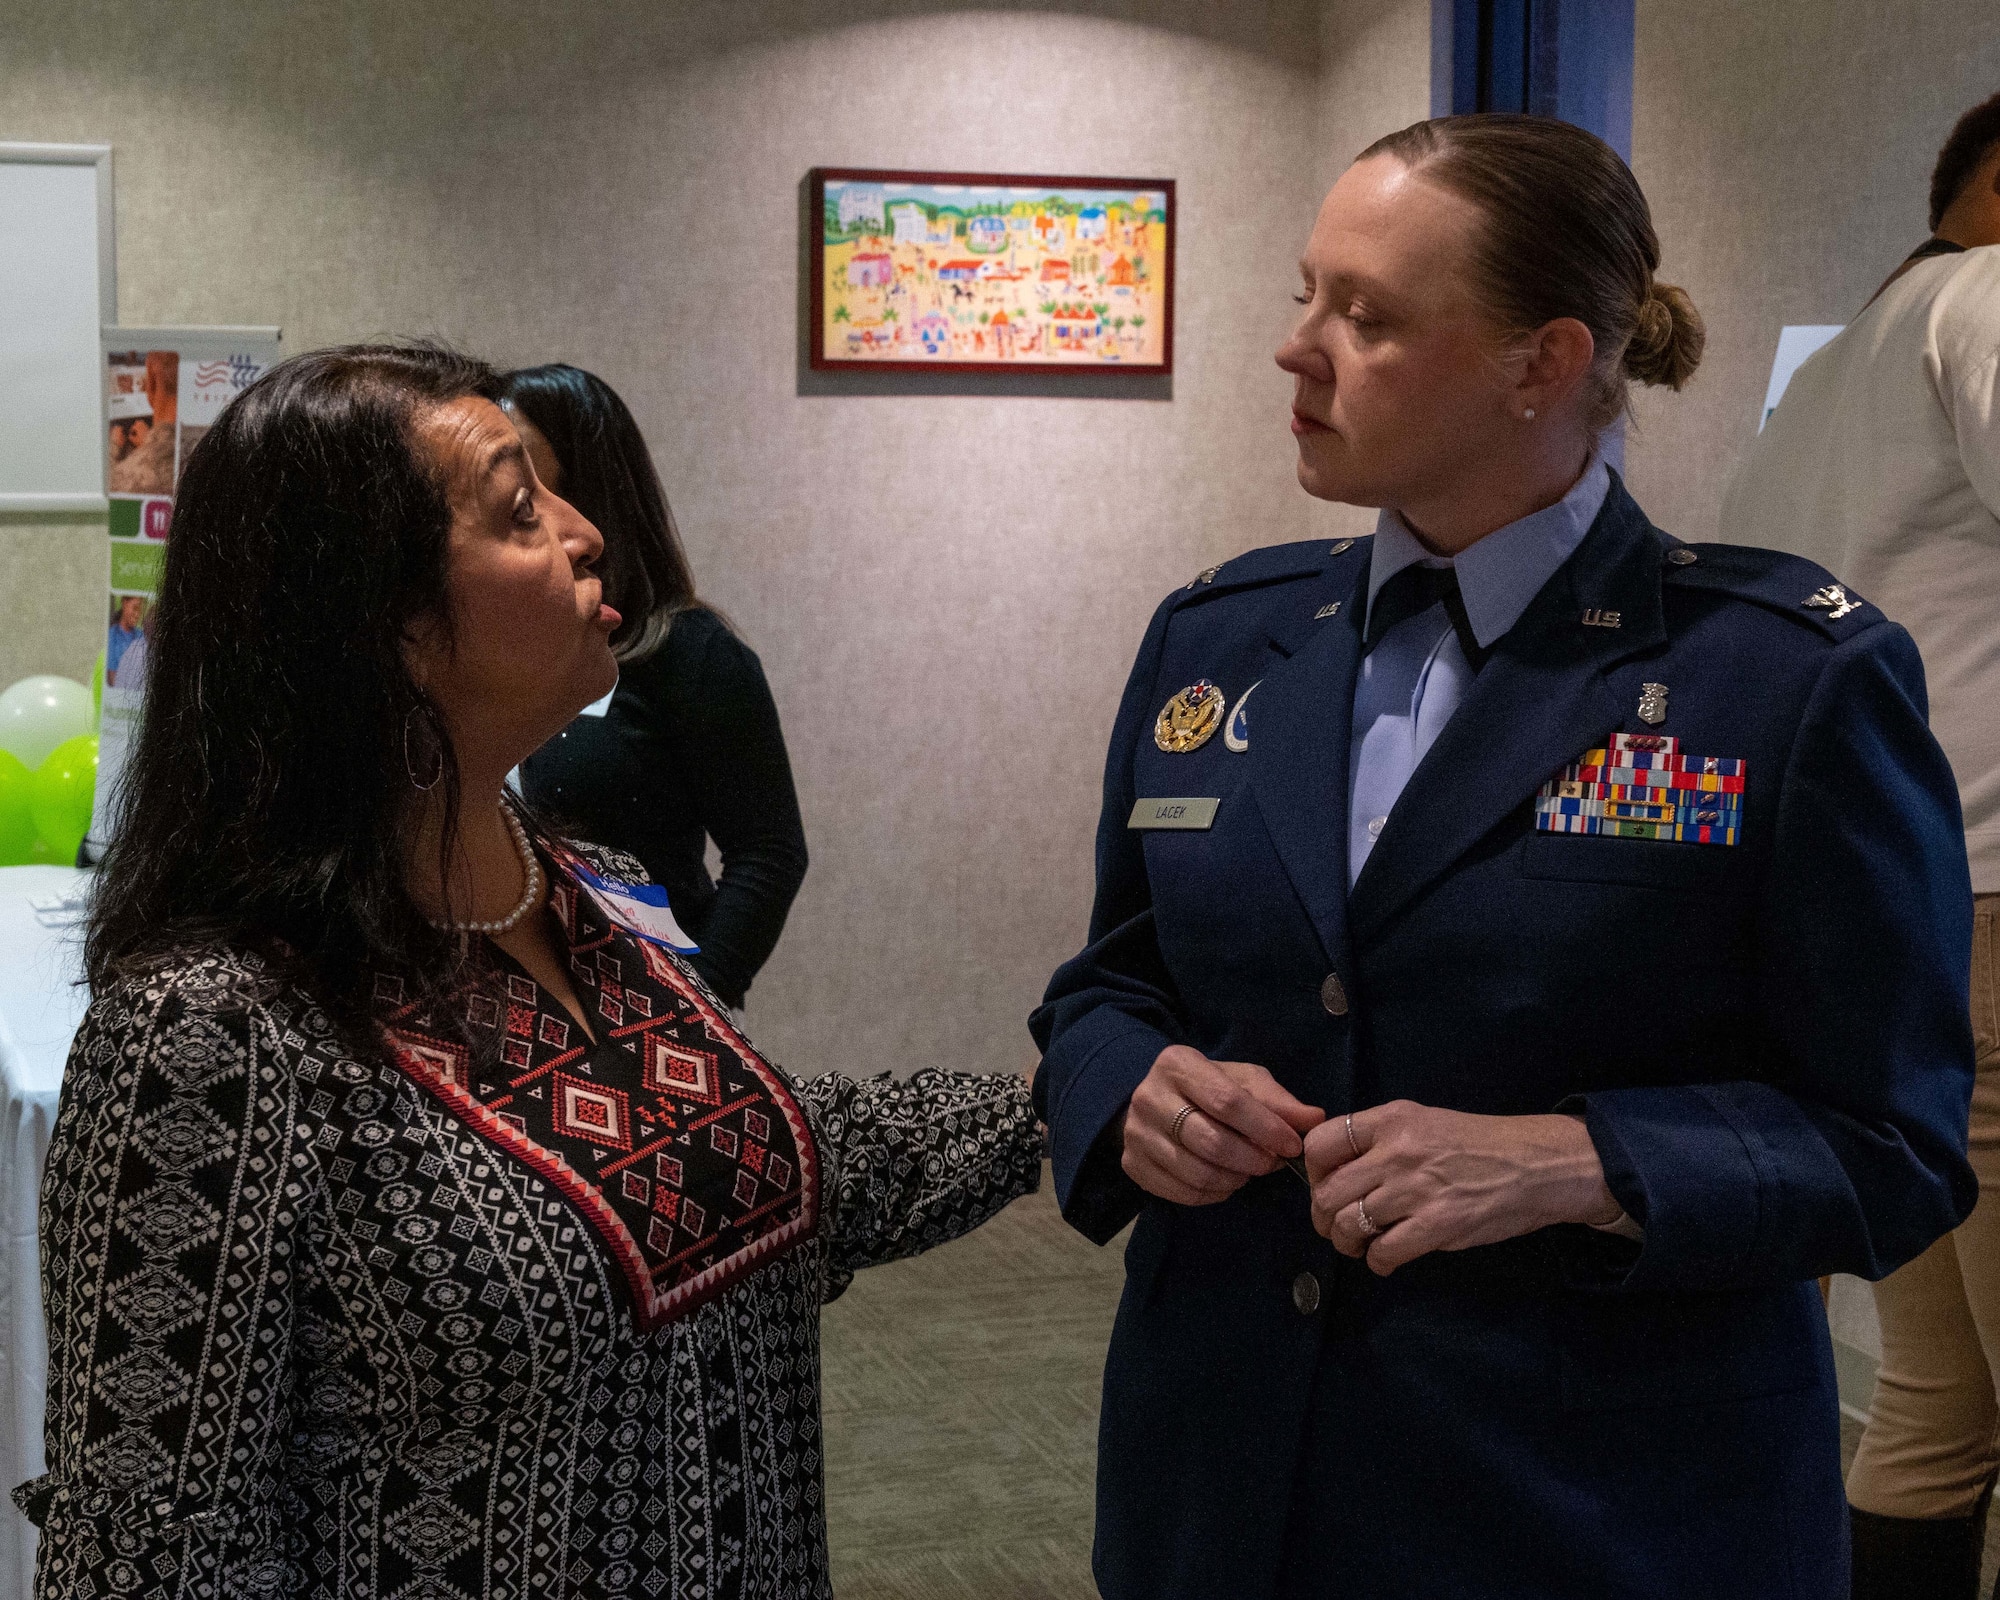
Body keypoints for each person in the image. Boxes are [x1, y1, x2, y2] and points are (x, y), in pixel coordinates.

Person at [1031, 113, 1977, 1600]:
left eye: (1369, 315)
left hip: (1596, 1515)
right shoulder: (1221, 639)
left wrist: (1581, 1160)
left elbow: (1897, 1145)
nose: (1297, 348)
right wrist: (1130, 1091)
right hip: (1223, 1488)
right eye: (1306, 292)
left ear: (1542, 363)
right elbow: (1107, 989)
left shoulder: (1780, 681)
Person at [16, 344, 1043, 1600]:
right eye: (518, 510)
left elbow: (754, 1171)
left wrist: (1072, 1104)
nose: (585, 533)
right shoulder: (211, 1033)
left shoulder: (591, 891)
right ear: (384, 627)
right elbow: (152, 1553)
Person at [1720, 88, 2000, 1600]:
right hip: (1994, 898)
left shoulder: (1838, 362)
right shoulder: (1992, 303)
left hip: (1883, 901)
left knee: (1935, 1399)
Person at [500, 364, 807, 1012]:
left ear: (585, 483)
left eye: (523, 464)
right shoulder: (490, 643)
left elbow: (769, 852)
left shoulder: (689, 652)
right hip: (507, 1008)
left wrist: (698, 1004)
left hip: (645, 1005)